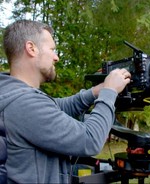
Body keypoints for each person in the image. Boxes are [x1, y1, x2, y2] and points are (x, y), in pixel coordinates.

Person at [0, 19, 131, 183]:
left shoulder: (12, 92)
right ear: (31, 48)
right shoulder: (24, 104)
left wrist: (95, 92)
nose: (56, 57)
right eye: (52, 49)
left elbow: (56, 107)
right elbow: (90, 140)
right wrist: (109, 92)